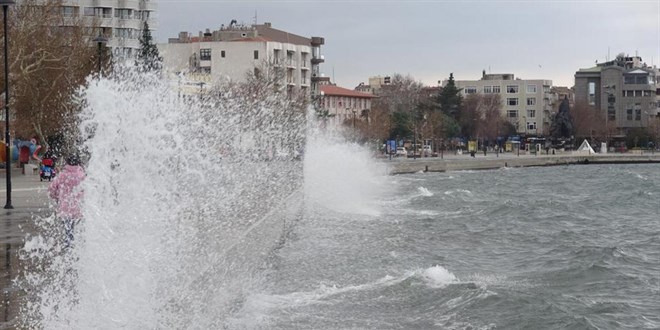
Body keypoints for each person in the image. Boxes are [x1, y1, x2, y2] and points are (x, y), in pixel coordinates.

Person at [48, 154, 85, 246]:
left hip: (65, 206)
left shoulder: (62, 175)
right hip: (78, 206)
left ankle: (69, 244)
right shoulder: (82, 175)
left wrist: (56, 196)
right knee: (77, 227)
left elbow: (52, 188)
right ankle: (77, 245)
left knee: (68, 228)